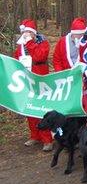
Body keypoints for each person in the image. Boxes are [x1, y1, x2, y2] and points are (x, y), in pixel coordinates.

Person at [14, 19, 53, 151]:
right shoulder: (20, 46)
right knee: (30, 108)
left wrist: (30, 42)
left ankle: (47, 139)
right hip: (27, 79)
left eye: (29, 32)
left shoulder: (43, 43)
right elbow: (16, 60)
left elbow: (39, 57)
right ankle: (34, 135)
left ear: (34, 33)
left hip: (40, 78)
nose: (26, 35)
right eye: (25, 32)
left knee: (42, 108)